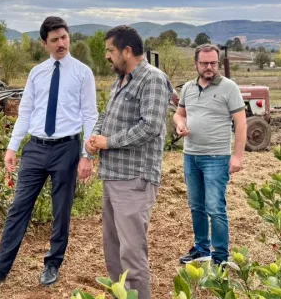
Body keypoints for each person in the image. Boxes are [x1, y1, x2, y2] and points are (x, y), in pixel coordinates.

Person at [0, 16, 99, 292]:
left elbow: (91, 115)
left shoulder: (82, 73)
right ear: (44, 43)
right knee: (18, 208)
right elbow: (26, 111)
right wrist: (13, 146)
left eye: (64, 37)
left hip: (67, 148)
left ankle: (52, 263)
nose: (61, 44)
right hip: (35, 148)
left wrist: (86, 155)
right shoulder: (37, 73)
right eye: (54, 40)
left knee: (61, 211)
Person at [86, 25, 172, 299]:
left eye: (110, 51)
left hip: (134, 179)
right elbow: (106, 115)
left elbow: (151, 127)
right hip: (112, 176)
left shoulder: (153, 79)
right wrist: (93, 141)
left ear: (127, 51)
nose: (107, 56)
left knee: (132, 254)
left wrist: (108, 142)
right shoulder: (121, 79)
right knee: (113, 252)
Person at [173, 43, 246, 265]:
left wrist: (238, 156)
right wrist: (179, 124)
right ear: (195, 64)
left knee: (215, 207)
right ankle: (201, 248)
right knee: (196, 206)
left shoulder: (229, 88)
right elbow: (179, 114)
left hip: (217, 157)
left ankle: (220, 256)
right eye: (204, 63)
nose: (209, 67)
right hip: (191, 156)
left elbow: (241, 123)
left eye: (213, 63)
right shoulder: (188, 88)